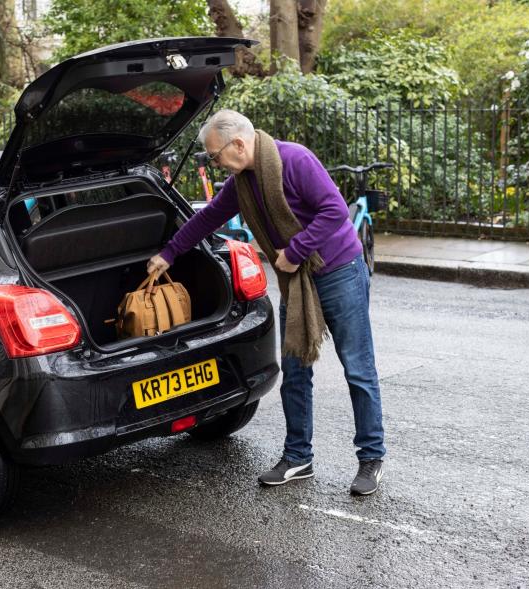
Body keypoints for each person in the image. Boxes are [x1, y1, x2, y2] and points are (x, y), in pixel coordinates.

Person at [146, 109, 386, 495]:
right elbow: (208, 219)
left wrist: (295, 250)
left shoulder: (295, 160)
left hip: (338, 269)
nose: (216, 163)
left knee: (357, 368)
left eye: (216, 155)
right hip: (297, 280)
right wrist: (169, 254)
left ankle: (371, 458)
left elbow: (335, 211)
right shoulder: (242, 182)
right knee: (295, 369)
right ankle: (298, 457)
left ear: (238, 144)